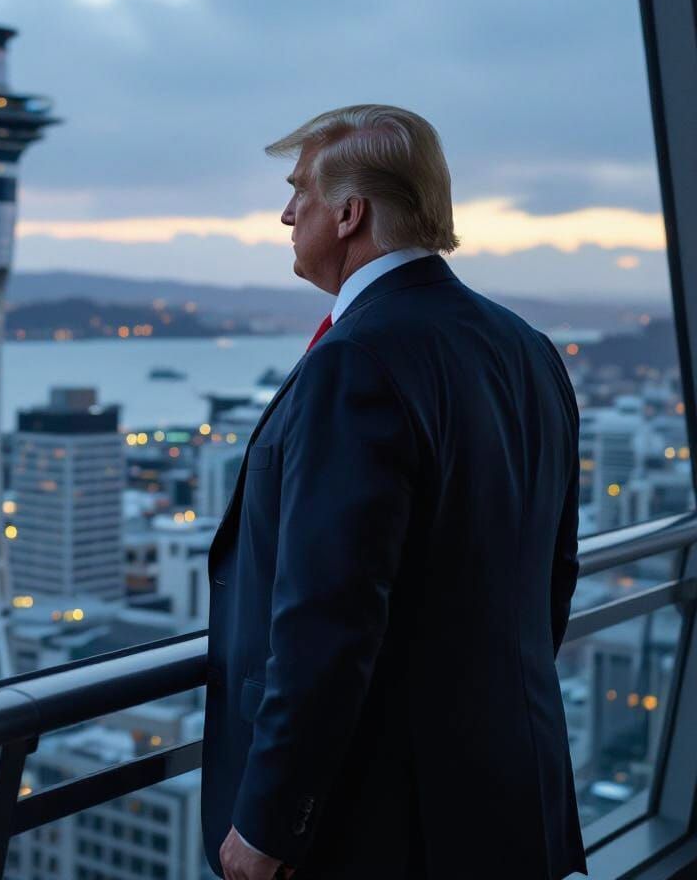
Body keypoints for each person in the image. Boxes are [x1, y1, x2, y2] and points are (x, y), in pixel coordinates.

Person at [200, 104, 587, 879]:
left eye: (299, 191)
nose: (285, 214)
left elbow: (328, 618)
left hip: (389, 820)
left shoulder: (356, 360)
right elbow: (551, 572)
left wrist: (272, 821)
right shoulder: (527, 348)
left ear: (349, 214)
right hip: (515, 783)